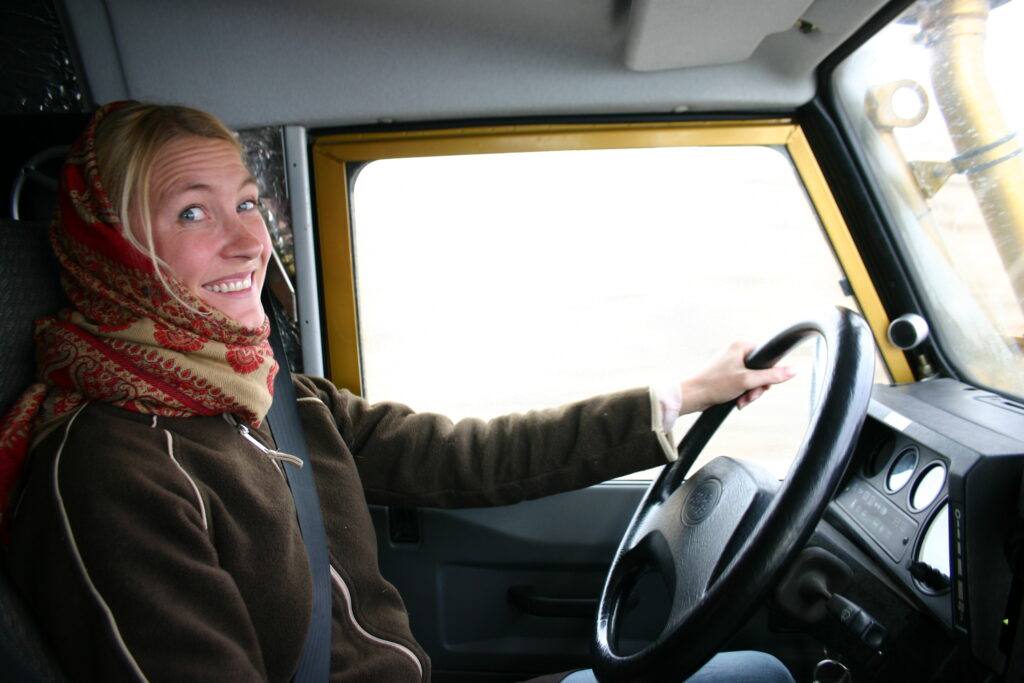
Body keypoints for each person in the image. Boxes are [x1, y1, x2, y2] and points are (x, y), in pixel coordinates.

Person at [0, 101, 797, 682]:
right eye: (192, 212)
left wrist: (685, 392)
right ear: (116, 254)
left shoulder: (279, 396)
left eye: (246, 202)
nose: (248, 240)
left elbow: (467, 457)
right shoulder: (107, 473)